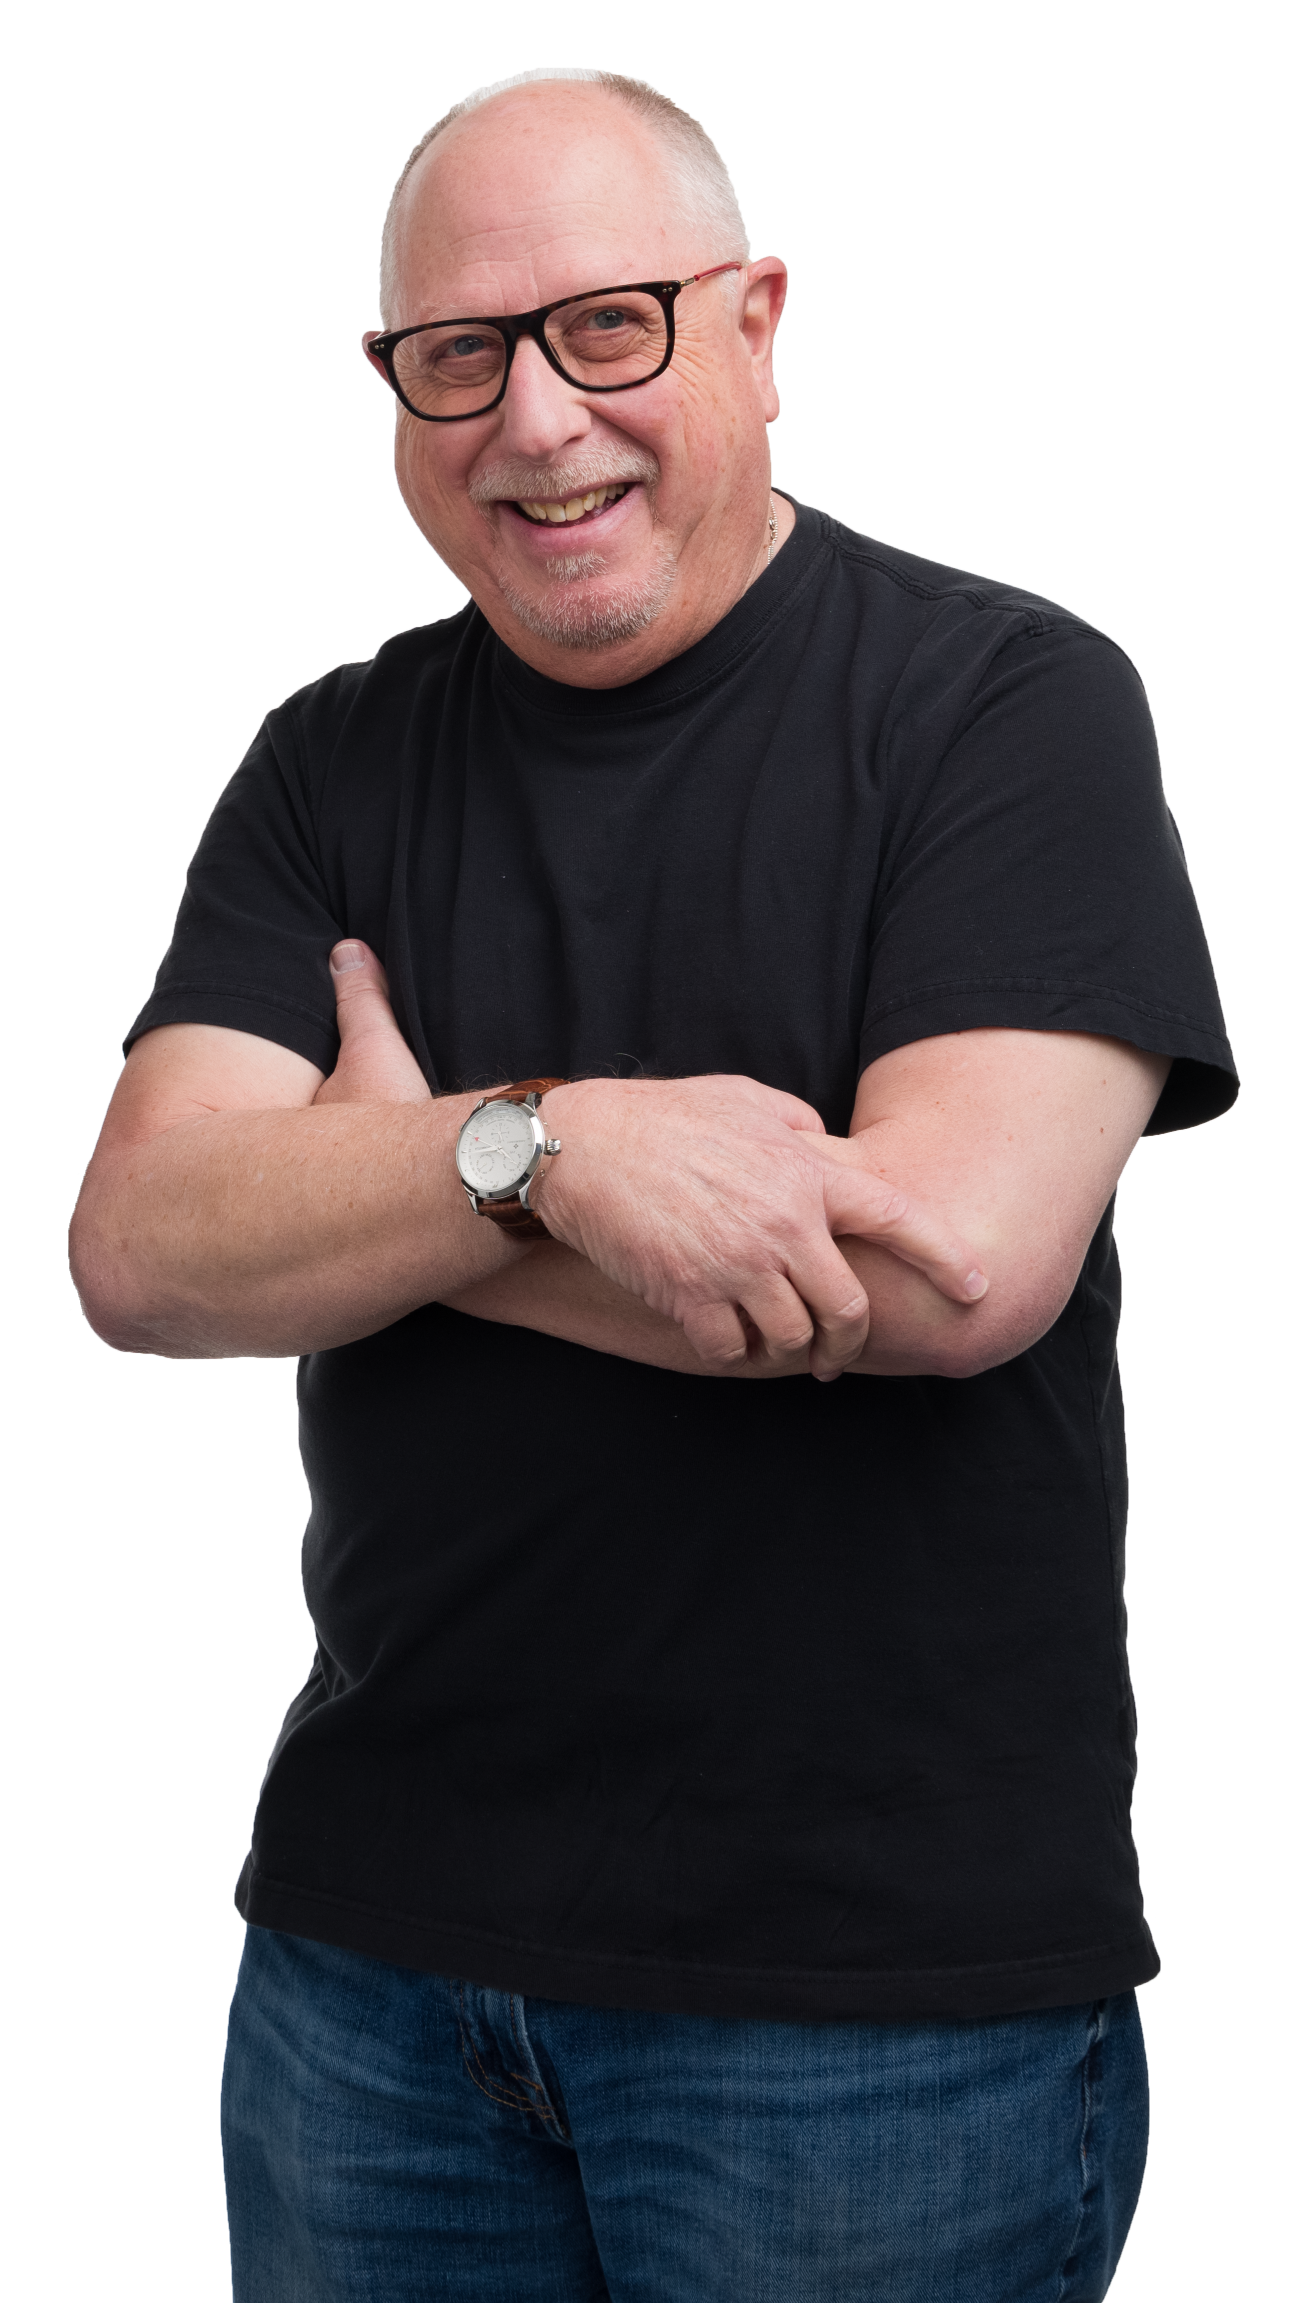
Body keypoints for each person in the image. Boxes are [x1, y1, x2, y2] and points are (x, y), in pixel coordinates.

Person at [69, 65, 1235, 2303]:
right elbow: (140, 1248)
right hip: (369, 1975)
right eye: (458, 355)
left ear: (757, 324)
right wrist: (562, 1151)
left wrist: (393, 1191)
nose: (538, 421)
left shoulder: (1010, 705)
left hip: (871, 2017)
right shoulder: (327, 758)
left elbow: (953, 1264)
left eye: (609, 326)